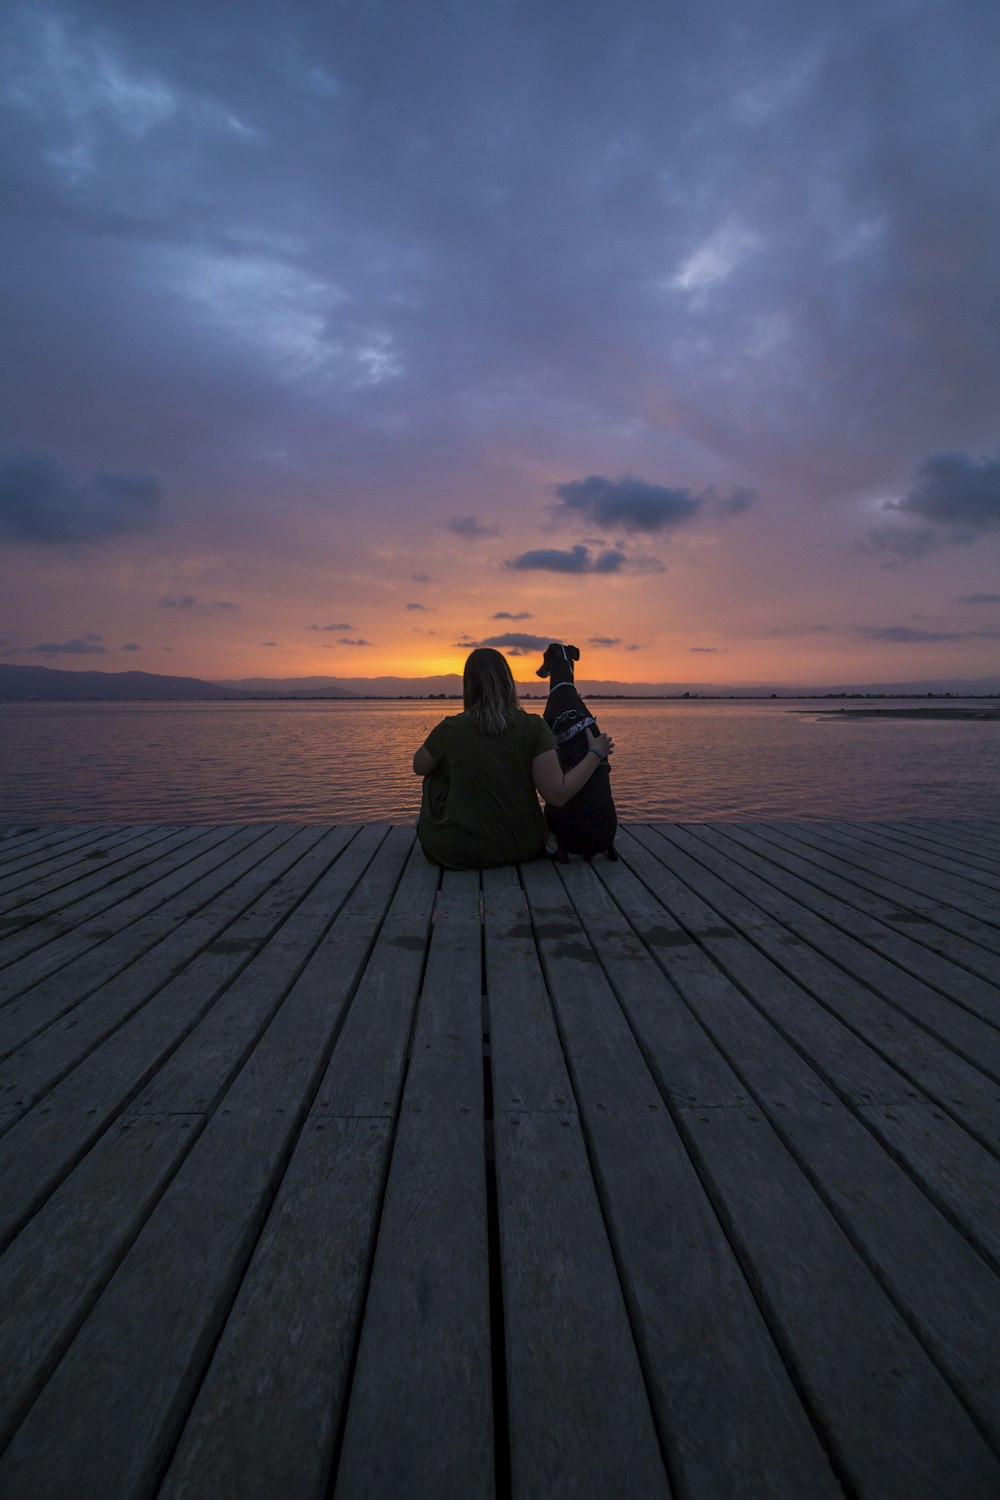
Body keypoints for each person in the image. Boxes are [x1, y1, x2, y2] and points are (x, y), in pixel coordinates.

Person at [413, 647, 614, 869]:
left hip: (459, 850)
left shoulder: (450, 728)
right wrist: (596, 752)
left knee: (434, 773)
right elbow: (558, 795)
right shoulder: (535, 726)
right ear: (509, 683)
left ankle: (450, 825)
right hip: (523, 845)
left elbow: (418, 766)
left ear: (468, 686)